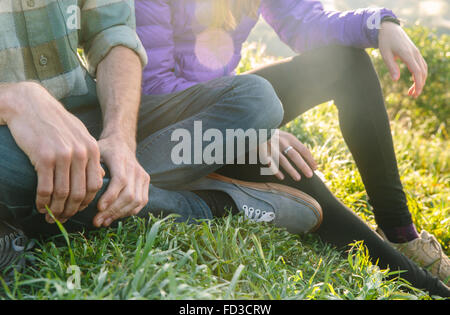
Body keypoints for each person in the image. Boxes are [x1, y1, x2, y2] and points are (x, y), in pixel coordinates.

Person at [0, 0, 330, 283]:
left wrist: (119, 137)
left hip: (93, 114)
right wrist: (16, 100)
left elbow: (113, 35)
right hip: (10, 139)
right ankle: (213, 206)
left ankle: (117, 183)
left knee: (257, 100)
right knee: (9, 170)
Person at [134, 0, 450, 296]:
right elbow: (154, 87)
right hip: (170, 131)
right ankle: (428, 288)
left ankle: (401, 233)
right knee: (301, 182)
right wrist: (243, 127)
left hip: (226, 105)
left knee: (347, 65)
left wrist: (381, 24)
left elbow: (306, 23)